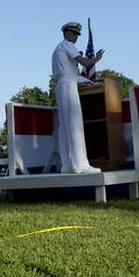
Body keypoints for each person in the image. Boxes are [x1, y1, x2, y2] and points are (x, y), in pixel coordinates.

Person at [52, 21, 105, 174]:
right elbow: (84, 62)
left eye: (77, 34)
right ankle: (81, 164)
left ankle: (67, 165)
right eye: (74, 33)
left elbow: (69, 73)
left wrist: (84, 80)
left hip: (62, 85)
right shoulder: (67, 45)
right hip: (68, 85)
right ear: (67, 33)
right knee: (74, 124)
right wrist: (96, 59)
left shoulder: (58, 48)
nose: (75, 37)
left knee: (65, 126)